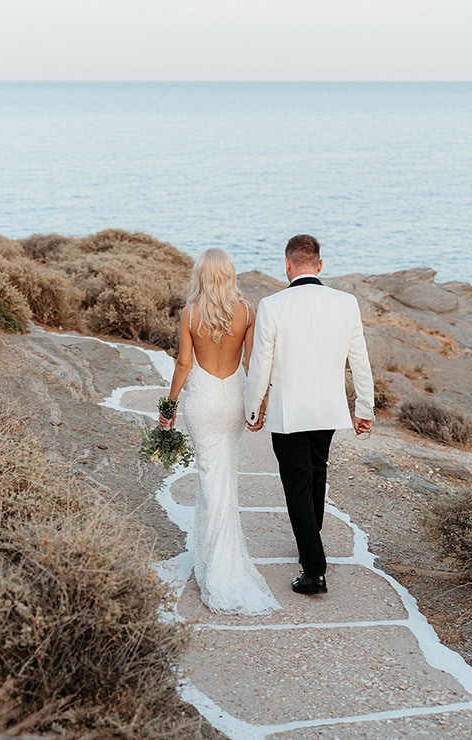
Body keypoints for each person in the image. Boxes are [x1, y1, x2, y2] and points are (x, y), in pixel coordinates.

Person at [245, 234, 375, 596]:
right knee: (317, 474)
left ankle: (314, 569)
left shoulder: (273, 304)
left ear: (287, 266)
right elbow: (359, 361)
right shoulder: (346, 303)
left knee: (297, 484)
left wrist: (253, 408)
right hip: (328, 410)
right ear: (320, 265)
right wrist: (364, 409)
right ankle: (311, 540)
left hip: (290, 412)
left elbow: (261, 365)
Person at [159, 248, 279, 616]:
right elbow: (251, 363)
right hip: (232, 399)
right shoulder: (245, 311)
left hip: (203, 401)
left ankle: (216, 570)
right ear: (228, 274)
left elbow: (183, 363)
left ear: (201, 275)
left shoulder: (189, 313)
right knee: (224, 476)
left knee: (211, 477)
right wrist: (259, 404)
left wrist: (169, 406)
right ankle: (217, 561)